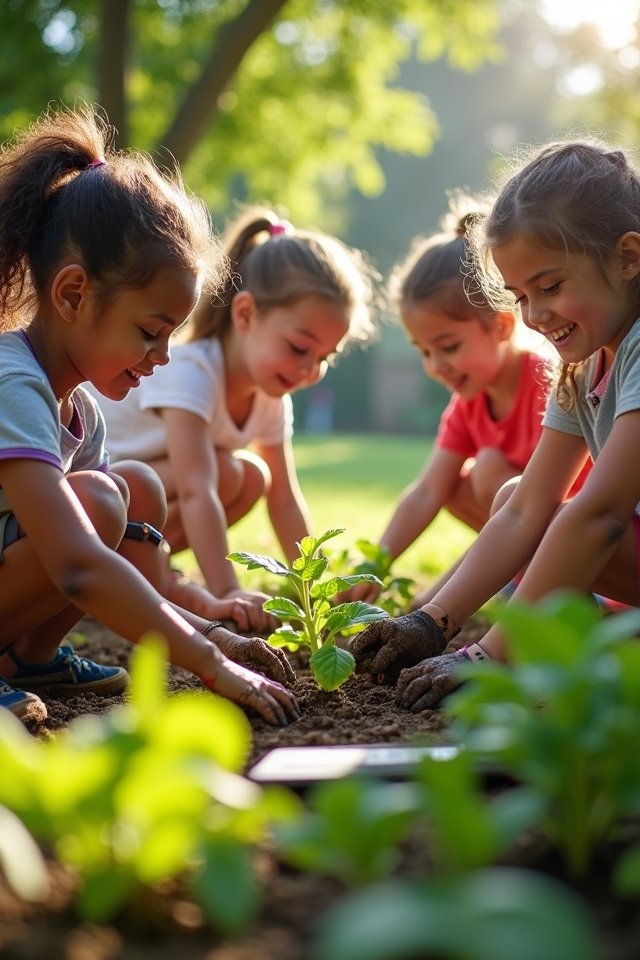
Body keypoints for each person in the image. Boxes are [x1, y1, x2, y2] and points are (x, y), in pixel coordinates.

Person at [0, 103, 299, 729]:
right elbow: (78, 566)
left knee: (134, 487)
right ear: (74, 294)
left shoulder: (81, 410)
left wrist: (214, 634)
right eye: (149, 331)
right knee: (101, 502)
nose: (162, 357)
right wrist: (211, 666)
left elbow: (127, 571)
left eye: (171, 336)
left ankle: (27, 659)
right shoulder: (14, 383)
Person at [352, 138, 640, 710]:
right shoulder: (582, 366)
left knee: (571, 517)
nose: (534, 315)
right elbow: (525, 508)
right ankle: (590, 654)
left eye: (550, 287)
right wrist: (432, 622)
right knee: (512, 492)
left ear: (628, 257)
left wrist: (486, 655)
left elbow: (601, 515)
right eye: (520, 296)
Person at [92, 205, 376, 631]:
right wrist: (227, 590)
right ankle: (130, 572)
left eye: (325, 358)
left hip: (143, 504)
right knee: (226, 473)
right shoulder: (191, 369)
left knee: (253, 476)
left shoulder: (270, 395)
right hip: (96, 502)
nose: (310, 370)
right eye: (300, 348)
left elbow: (284, 499)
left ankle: (148, 572)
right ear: (245, 314)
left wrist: (319, 589)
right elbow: (196, 489)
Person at [342, 194, 588, 609]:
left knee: (489, 470)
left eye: (448, 346)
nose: (435, 365)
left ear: (501, 326)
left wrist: (432, 603)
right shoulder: (468, 402)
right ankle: (515, 577)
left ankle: (539, 585)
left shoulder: (548, 383)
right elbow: (427, 492)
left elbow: (528, 509)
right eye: (424, 351)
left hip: (573, 535)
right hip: (524, 526)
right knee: (453, 487)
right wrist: (375, 565)